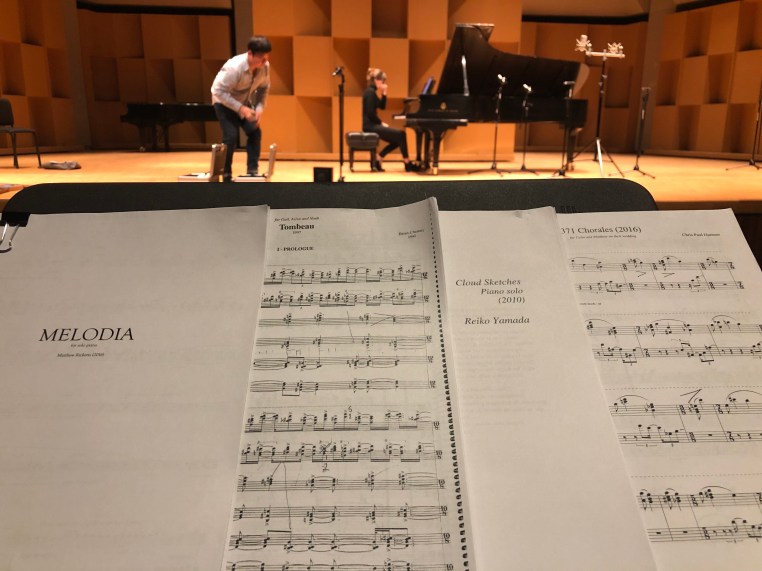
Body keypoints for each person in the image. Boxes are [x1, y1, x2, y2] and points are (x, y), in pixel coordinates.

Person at [211, 36, 272, 182]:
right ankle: (226, 174)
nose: (264, 61)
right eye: (261, 57)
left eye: (266, 57)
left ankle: (252, 171)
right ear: (250, 53)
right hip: (224, 104)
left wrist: (259, 108)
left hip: (244, 103)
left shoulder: (265, 66)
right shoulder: (234, 67)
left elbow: (264, 87)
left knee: (254, 131)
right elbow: (218, 91)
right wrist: (241, 109)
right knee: (231, 136)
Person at [362, 68, 420, 172]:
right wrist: (381, 123)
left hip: (372, 125)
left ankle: (379, 157)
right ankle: (407, 163)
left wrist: (384, 92)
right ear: (376, 80)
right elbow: (370, 113)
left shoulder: (371, 92)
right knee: (401, 135)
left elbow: (382, 106)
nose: (383, 83)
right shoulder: (370, 93)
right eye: (382, 81)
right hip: (370, 126)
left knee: (399, 138)